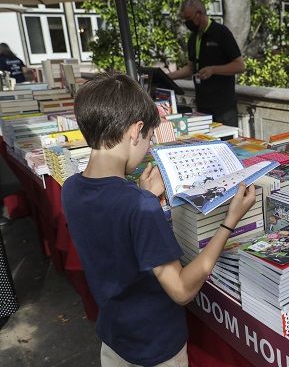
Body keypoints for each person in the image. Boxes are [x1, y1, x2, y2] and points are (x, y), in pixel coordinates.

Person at [61, 73, 256, 367]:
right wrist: (229, 222)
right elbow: (181, 290)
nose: (149, 149)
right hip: (157, 347)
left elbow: (112, 236)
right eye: (150, 139)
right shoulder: (137, 205)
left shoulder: (71, 188)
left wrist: (146, 199)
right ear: (136, 131)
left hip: (115, 339)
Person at [168, 0, 245, 127]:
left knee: (228, 142)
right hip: (202, 105)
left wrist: (213, 70)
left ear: (198, 14)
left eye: (188, 18)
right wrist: (167, 77)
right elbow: (190, 68)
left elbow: (240, 65)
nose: (187, 23)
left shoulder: (221, 32)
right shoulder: (193, 38)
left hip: (223, 106)